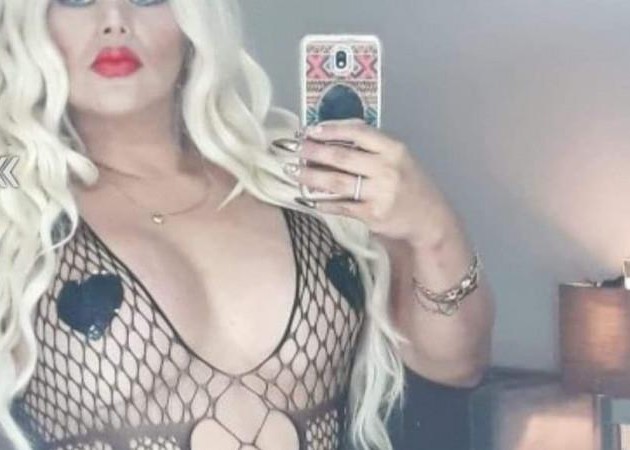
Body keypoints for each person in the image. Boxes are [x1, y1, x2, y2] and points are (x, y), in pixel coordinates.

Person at [0, 0, 495, 449]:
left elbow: (455, 368)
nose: (114, 21)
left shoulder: (295, 180)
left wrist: (432, 226)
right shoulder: (15, 219)